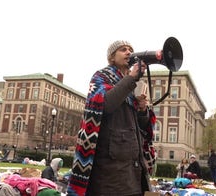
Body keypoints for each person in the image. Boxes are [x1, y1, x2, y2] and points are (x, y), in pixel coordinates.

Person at [66, 40, 156, 196]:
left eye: (130, 49)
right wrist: (131, 79)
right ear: (112, 57)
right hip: (110, 175)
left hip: (132, 172)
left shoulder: (130, 83)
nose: (129, 52)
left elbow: (140, 127)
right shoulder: (101, 77)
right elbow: (105, 105)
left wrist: (142, 110)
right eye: (123, 50)